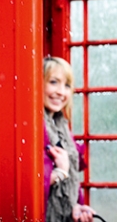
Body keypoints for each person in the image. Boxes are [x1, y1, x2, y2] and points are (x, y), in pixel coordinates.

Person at [43, 56, 96, 222]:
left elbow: (71, 179)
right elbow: (26, 186)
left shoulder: (61, 125)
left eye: (66, 85)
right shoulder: (29, 126)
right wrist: (60, 171)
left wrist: (77, 206)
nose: (61, 91)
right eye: (53, 82)